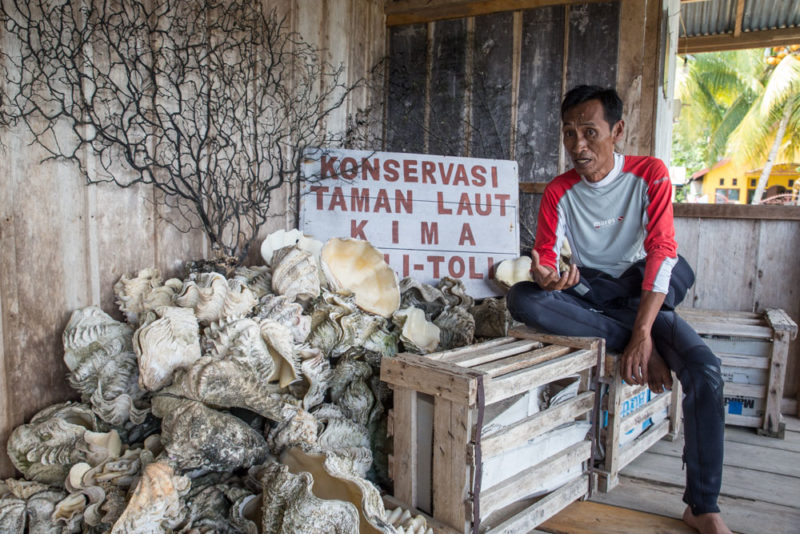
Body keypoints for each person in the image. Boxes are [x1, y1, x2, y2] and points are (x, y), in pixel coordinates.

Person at [506, 85, 732, 534]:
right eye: (569, 134)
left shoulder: (650, 174)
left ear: (618, 131)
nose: (578, 146)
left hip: (643, 288)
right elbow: (548, 257)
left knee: (703, 360)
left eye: (590, 132)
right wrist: (549, 276)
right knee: (522, 297)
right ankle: (633, 330)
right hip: (594, 291)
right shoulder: (559, 191)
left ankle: (702, 505)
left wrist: (644, 334)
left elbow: (662, 252)